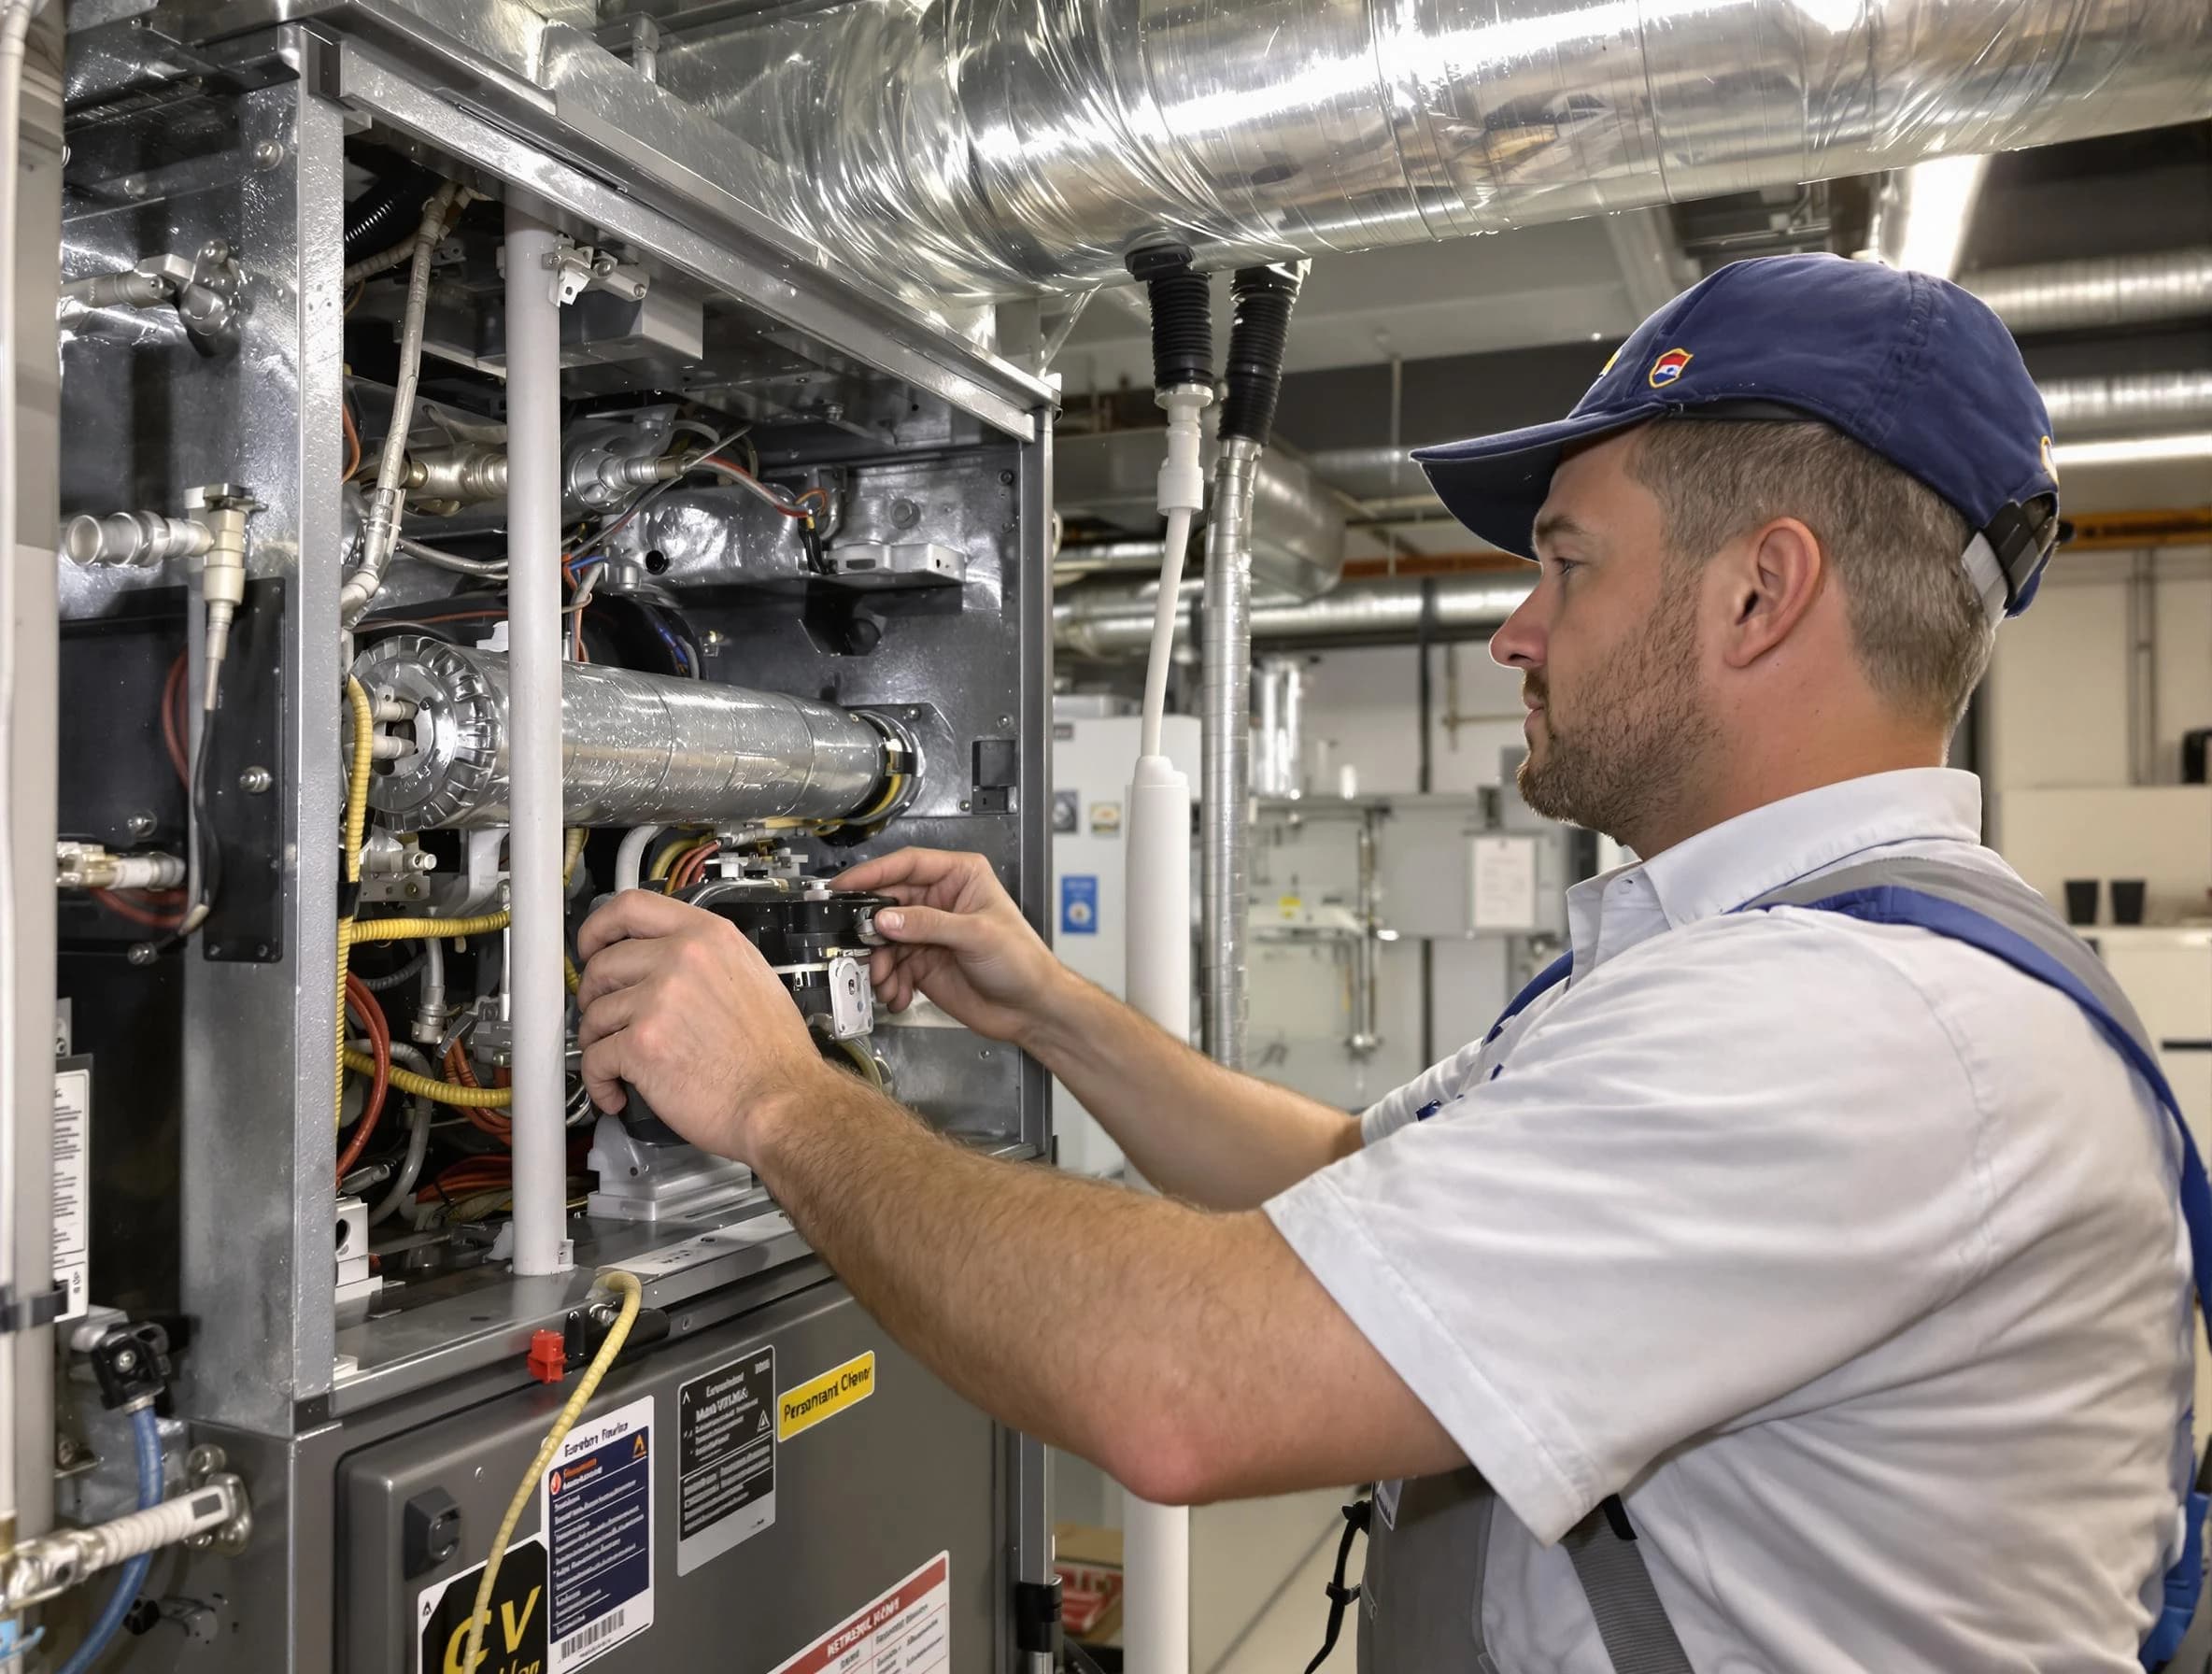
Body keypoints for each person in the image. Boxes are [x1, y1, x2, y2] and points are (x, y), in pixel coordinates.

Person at [574, 253, 2200, 1672]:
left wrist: (780, 1100)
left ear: (1763, 591)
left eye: (1568, 563)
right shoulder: (1768, 962)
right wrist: (1051, 1011)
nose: (1515, 630)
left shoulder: (1848, 1030)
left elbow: (1173, 1388)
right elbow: (1354, 1173)